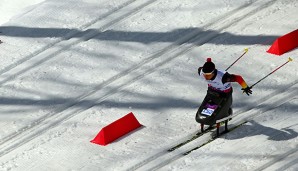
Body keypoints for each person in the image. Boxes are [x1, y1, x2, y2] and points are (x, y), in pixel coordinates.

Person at [195, 58, 252, 125]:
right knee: (209, 104)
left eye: (208, 75)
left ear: (213, 73)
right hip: (212, 91)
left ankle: (227, 113)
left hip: (224, 93)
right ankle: (207, 117)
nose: (206, 77)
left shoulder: (224, 77)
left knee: (224, 105)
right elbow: (200, 68)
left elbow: (238, 78)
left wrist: (245, 87)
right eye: (205, 75)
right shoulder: (201, 72)